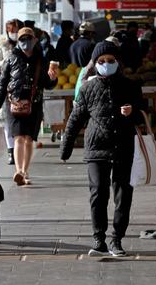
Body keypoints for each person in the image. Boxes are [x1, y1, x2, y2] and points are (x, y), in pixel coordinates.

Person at [61, 42, 145, 257]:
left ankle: (117, 239)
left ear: (118, 62)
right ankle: (99, 239)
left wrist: (132, 112)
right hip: (96, 147)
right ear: (94, 64)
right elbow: (75, 118)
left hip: (123, 145)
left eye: (110, 61)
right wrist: (66, 146)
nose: (106, 64)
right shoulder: (88, 88)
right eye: (101, 61)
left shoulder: (131, 86)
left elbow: (142, 117)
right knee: (98, 192)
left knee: (123, 194)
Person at [0, 28, 57, 186]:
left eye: (28, 38)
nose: (25, 42)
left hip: (34, 104)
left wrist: (53, 79)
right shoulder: (11, 58)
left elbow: (47, 85)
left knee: (29, 139)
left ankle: (25, 171)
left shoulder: (41, 60)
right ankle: (19, 171)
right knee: (19, 138)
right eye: (22, 39)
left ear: (35, 40)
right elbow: (2, 84)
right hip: (14, 104)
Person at [0, 19, 21, 166]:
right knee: (7, 120)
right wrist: (8, 62)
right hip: (5, 86)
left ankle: (19, 148)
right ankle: (11, 151)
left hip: (21, 86)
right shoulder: (2, 44)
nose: (14, 33)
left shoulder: (25, 43)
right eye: (11, 30)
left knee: (20, 117)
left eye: (16, 30)